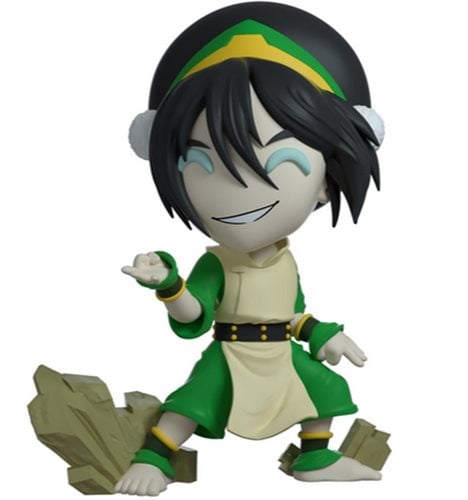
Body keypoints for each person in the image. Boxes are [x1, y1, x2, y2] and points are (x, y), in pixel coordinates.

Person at [115, 2, 384, 495]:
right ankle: (153, 458)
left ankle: (315, 456)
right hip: (231, 353)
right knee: (192, 403)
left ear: (327, 182)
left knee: (327, 389)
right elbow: (196, 313)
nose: (239, 190)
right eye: (202, 164)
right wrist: (168, 284)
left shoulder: (285, 259)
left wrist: (323, 334)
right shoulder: (216, 262)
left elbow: (293, 312)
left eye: (280, 161)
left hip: (281, 353)